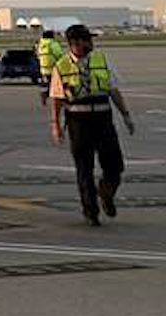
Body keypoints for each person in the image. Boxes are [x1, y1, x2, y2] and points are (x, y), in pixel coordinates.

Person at [49, 23, 135, 225]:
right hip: (78, 122)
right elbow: (57, 98)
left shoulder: (102, 60)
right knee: (84, 168)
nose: (91, 43)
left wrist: (126, 115)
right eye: (87, 40)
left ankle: (106, 192)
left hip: (103, 119)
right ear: (75, 43)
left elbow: (113, 90)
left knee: (115, 165)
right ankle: (91, 212)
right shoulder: (61, 66)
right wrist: (56, 125)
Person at [37, 28, 65, 108]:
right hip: (54, 68)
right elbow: (59, 54)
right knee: (58, 85)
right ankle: (59, 101)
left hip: (44, 69)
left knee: (48, 84)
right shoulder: (52, 44)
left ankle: (44, 96)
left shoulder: (41, 45)